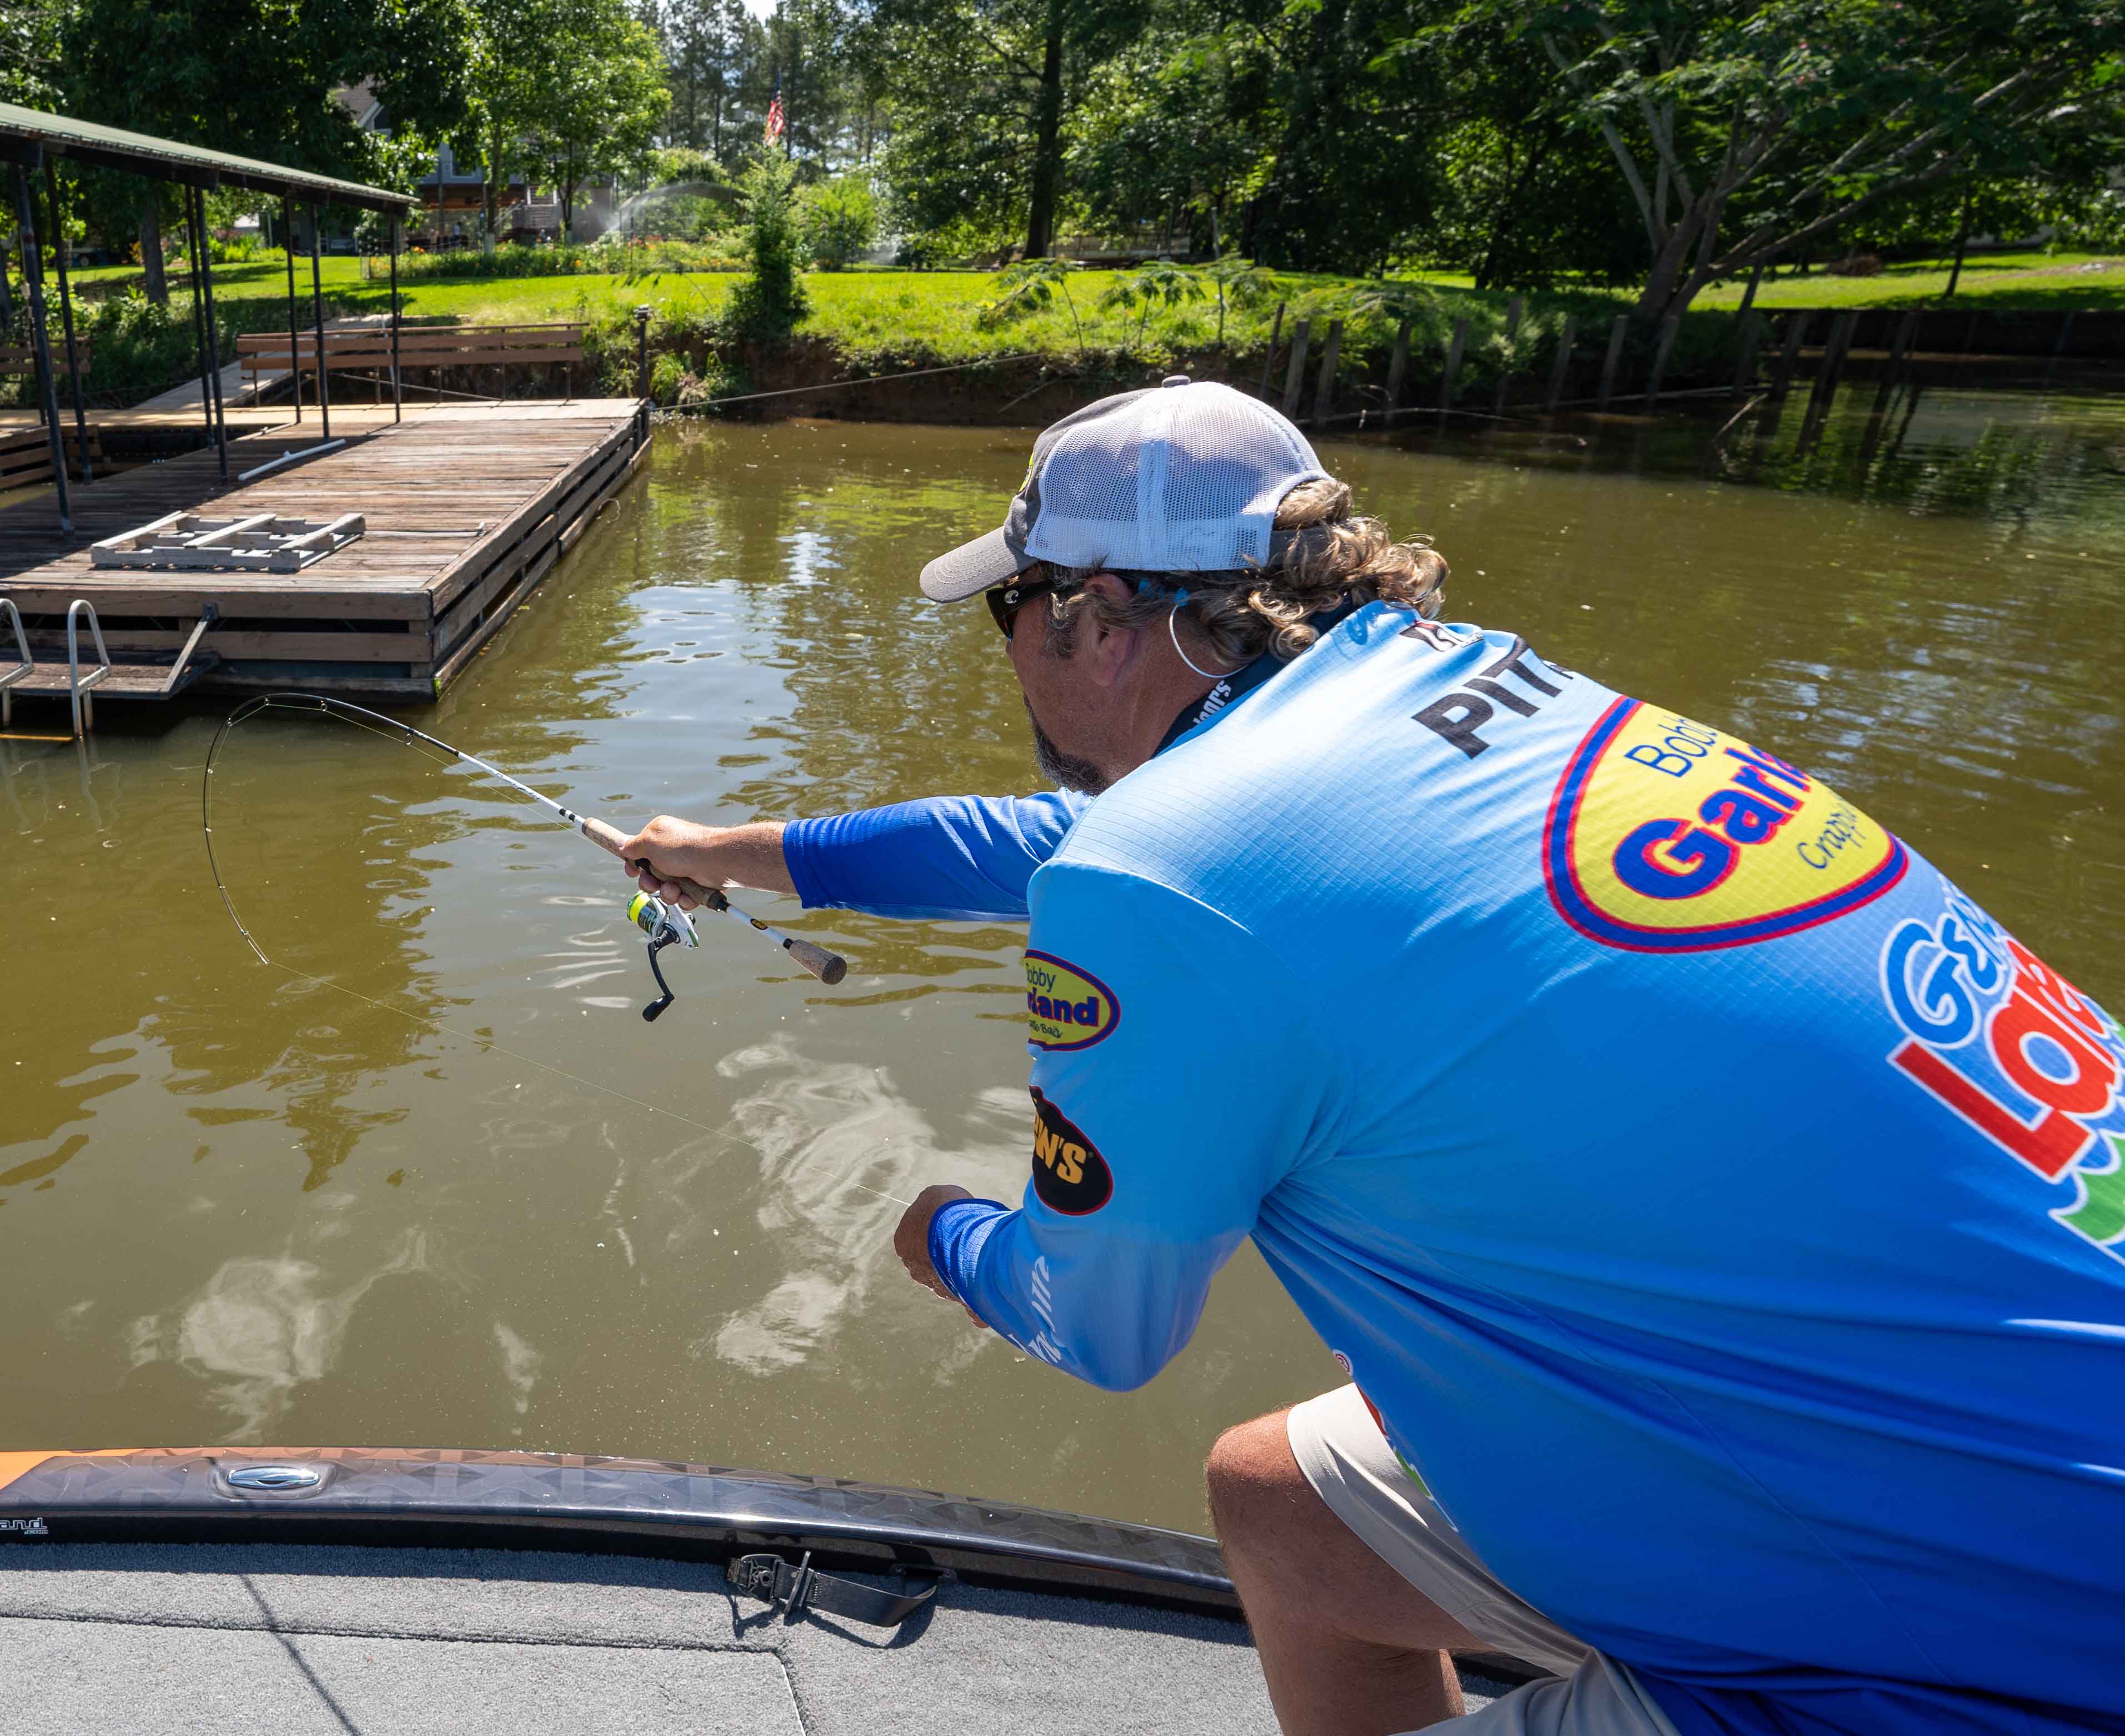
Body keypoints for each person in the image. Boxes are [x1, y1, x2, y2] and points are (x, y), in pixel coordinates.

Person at [618, 378, 2125, 1736]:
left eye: (1007, 608)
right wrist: (738, 856)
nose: (1007, 648)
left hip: (1976, 1662)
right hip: (1961, 1469)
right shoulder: (1462, 693)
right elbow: (1062, 844)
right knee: (1287, 1508)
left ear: (1093, 613)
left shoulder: (1173, 874)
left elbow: (1100, 1319)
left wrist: (937, 1234)